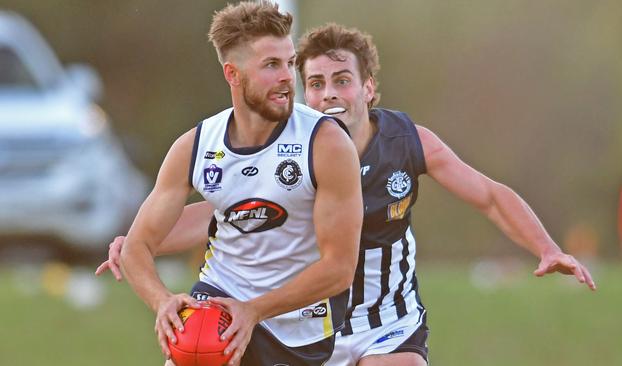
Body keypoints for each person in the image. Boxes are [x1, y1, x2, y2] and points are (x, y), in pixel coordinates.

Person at [98, 23, 596, 366]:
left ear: (369, 89)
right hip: (301, 319)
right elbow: (219, 213)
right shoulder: (291, 147)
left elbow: (488, 195)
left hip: (386, 320)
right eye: (315, 83)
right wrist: (142, 243)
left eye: (342, 81)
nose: (329, 94)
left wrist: (546, 247)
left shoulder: (407, 142)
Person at [113, 3, 363, 366]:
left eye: (290, 63)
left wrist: (254, 311)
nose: (286, 78)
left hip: (299, 327)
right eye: (271, 65)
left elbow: (340, 268)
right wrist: (162, 301)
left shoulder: (326, 144)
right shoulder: (195, 147)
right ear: (233, 74)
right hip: (217, 304)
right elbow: (137, 247)